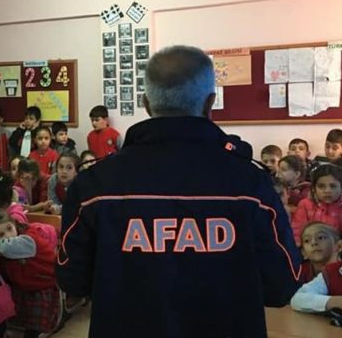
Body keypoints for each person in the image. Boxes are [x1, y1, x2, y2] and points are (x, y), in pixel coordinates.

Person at [57, 45, 301, 338]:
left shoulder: (95, 184)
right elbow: (282, 285)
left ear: (147, 104)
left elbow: (72, 280)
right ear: (210, 103)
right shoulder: (252, 185)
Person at [0, 211, 60, 338]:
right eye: (1, 234)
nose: (8, 235)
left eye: (9, 228)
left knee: (33, 327)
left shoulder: (28, 239)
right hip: (21, 285)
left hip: (42, 287)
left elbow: (6, 247)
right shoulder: (10, 237)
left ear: (15, 224)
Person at [291, 164, 342, 244]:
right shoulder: (305, 205)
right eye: (321, 186)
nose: (327, 190)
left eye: (333, 186)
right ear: (314, 188)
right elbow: (297, 232)